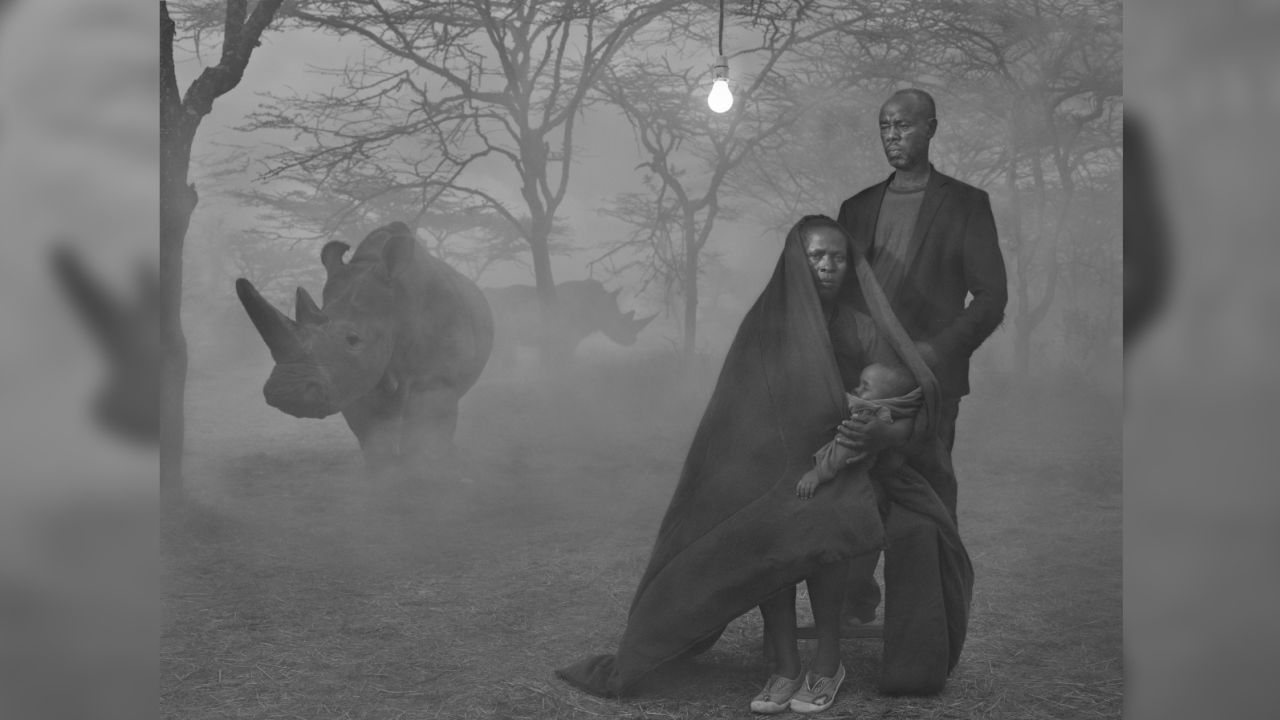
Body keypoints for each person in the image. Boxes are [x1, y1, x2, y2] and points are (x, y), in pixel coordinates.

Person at [556, 215, 952, 713]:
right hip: (776, 466)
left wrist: (881, 431)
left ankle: (828, 661)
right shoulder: (766, 327)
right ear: (795, 262)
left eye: (838, 257)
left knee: (825, 516)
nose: (829, 266)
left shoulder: (862, 328)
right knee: (765, 513)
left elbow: (912, 401)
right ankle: (784, 663)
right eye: (816, 256)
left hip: (852, 467)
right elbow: (742, 413)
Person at [835, 88, 1008, 625]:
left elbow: (991, 297)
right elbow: (838, 299)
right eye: (885, 125)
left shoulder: (965, 203)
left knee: (925, 502)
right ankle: (852, 596)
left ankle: (926, 630)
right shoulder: (856, 208)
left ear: (931, 128)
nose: (893, 135)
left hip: (929, 386)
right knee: (851, 489)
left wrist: (931, 354)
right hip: (862, 382)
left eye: (904, 125)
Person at [796, 363, 921, 501]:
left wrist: (818, 473)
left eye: (865, 387)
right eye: (859, 384)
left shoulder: (869, 416)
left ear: (887, 399)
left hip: (849, 472)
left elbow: (845, 448)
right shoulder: (875, 408)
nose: (857, 389)